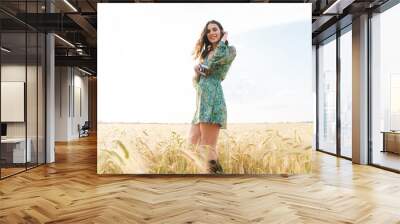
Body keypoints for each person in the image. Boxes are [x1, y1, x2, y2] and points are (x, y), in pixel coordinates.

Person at [188, 20, 236, 174]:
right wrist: (197, 72)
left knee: (207, 149)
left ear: (222, 31)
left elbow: (212, 67)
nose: (211, 33)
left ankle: (217, 183)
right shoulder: (205, 54)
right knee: (192, 144)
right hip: (201, 102)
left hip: (213, 100)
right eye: (208, 31)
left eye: (215, 29)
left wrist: (223, 42)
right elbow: (198, 80)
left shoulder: (229, 50)